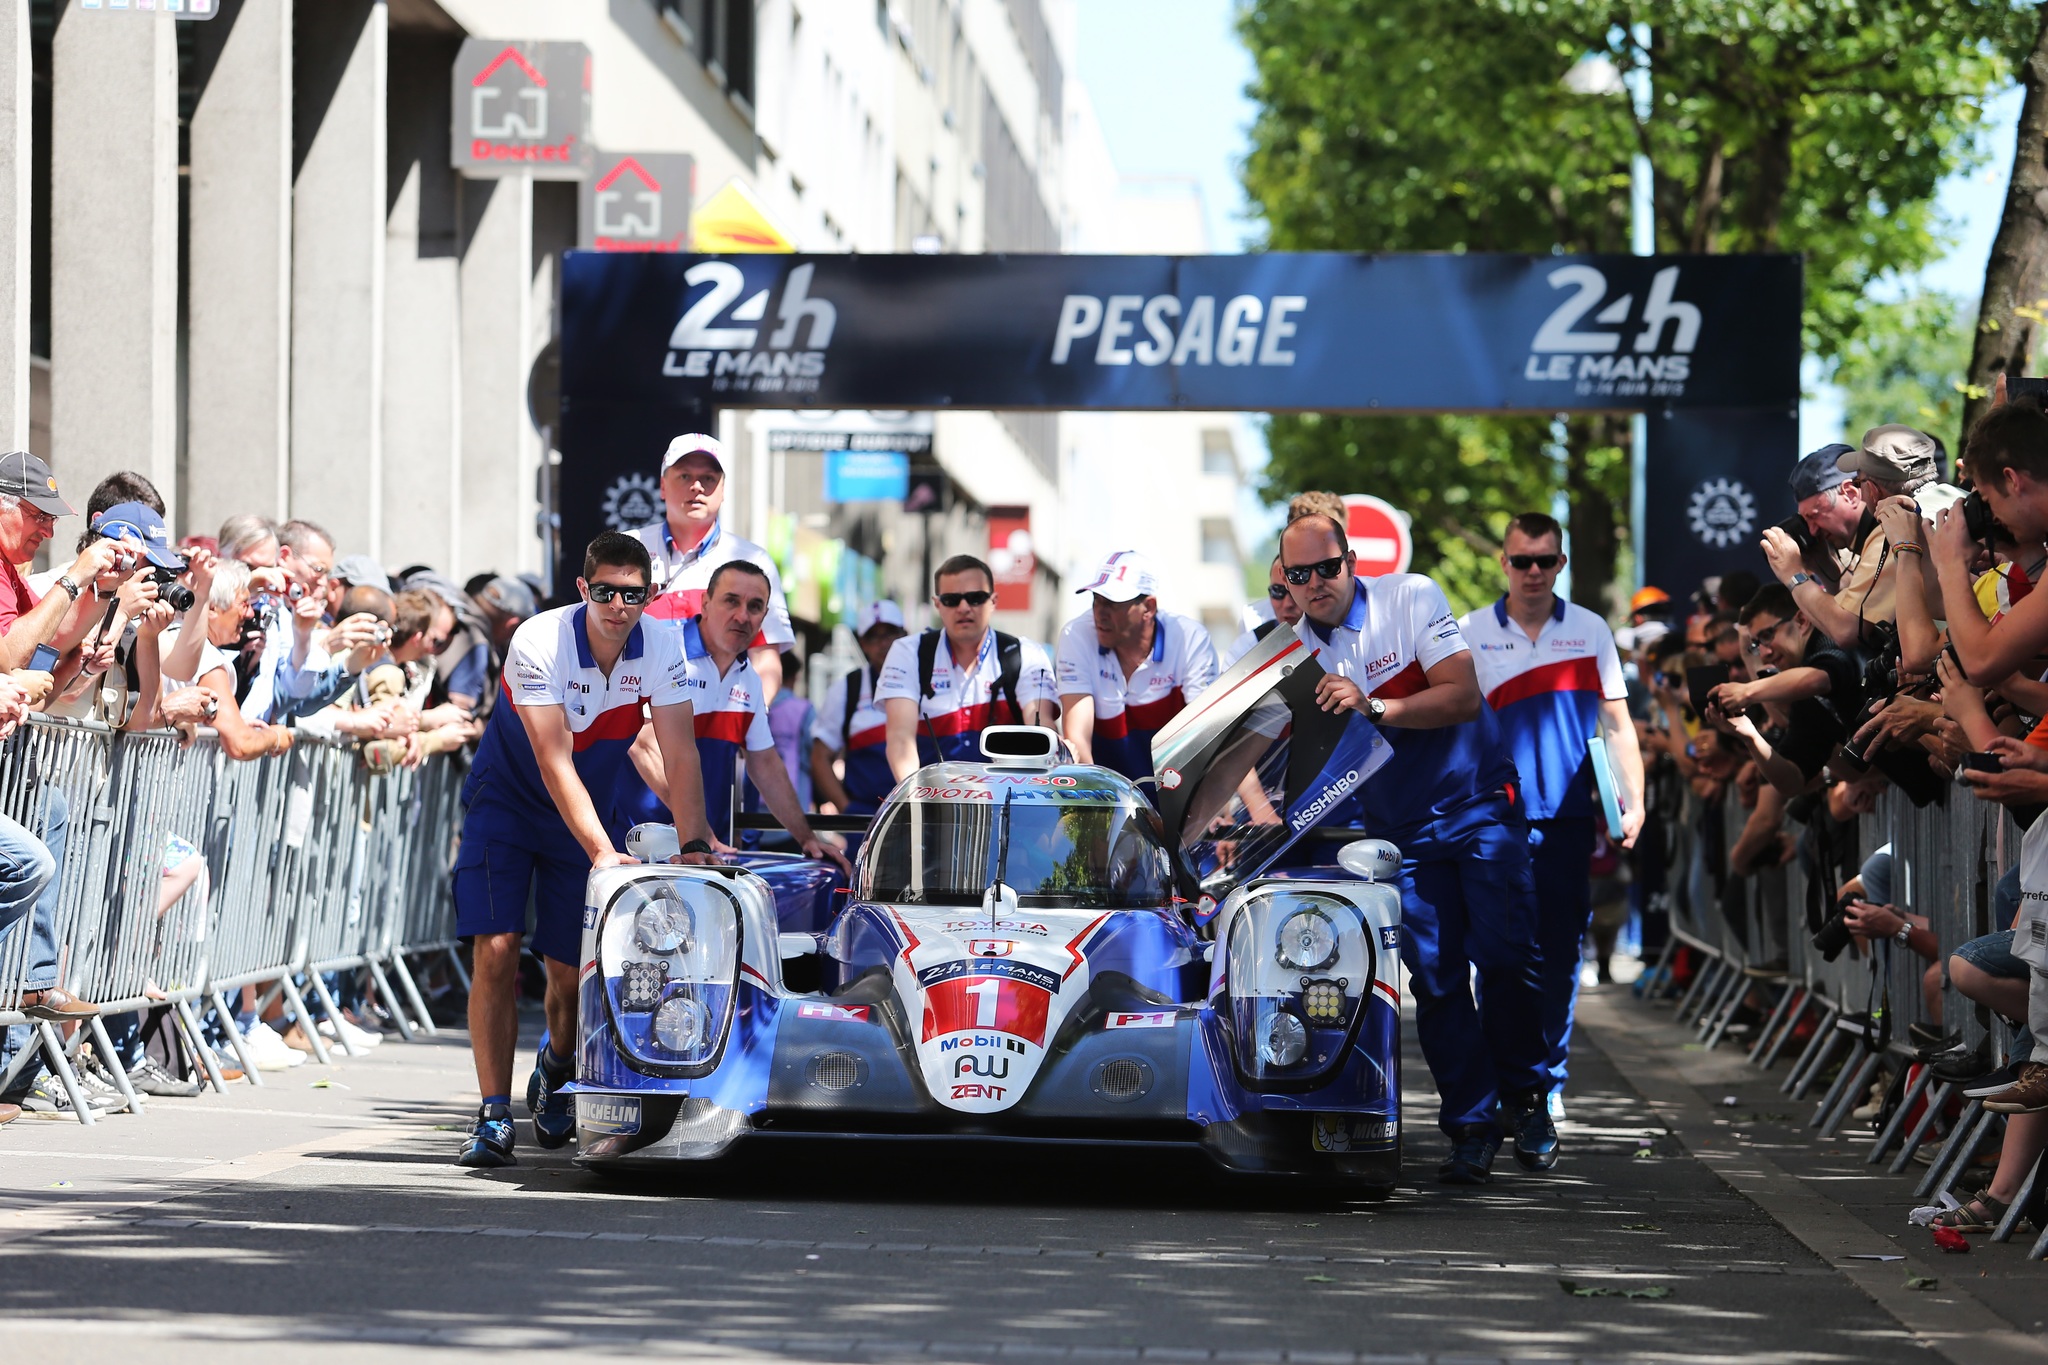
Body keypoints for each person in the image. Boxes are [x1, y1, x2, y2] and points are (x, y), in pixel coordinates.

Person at [1276, 512, 1552, 1183]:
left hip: (1481, 804)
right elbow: (1251, 749)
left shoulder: (1411, 596)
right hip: (1402, 834)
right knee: (1435, 981)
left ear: (1352, 561)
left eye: (1327, 567)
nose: (1315, 584)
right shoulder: (1286, 652)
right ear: (1284, 579)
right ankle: (1472, 1126)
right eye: (1298, 574)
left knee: (1508, 955)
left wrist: (1374, 706)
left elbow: (1461, 696)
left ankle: (1528, 1093)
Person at [451, 532, 718, 1169]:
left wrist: (697, 842)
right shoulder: (537, 639)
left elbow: (679, 751)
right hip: (510, 803)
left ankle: (558, 1062)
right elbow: (552, 757)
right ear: (583, 589)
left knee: (569, 978)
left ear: (650, 596)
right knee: (495, 949)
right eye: (606, 592)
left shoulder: (661, 643)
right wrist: (601, 850)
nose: (619, 605)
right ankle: (493, 1114)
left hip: (587, 808)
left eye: (633, 594)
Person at [1458, 512, 1643, 1116]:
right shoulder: (1470, 631)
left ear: (1560, 564)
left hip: (1567, 821)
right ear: (1504, 563)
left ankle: (1548, 1084)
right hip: (1493, 820)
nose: (1533, 572)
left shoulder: (1590, 631)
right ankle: (1507, 1080)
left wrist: (1633, 800)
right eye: (1521, 560)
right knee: (1500, 957)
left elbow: (1617, 723)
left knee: (1562, 954)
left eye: (1545, 561)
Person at [621, 560, 846, 870]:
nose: (742, 615)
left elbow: (765, 763)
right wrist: (697, 830)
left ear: (764, 617)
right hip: (636, 844)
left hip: (701, 851)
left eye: (755, 606)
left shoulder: (749, 678)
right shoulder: (663, 647)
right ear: (705, 603)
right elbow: (643, 744)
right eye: (731, 601)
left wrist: (807, 838)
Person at [627, 432, 794, 699]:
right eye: (684, 476)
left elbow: (765, 660)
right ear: (662, 486)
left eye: (709, 478)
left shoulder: (754, 561)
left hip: (718, 727)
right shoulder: (626, 549)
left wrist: (747, 726)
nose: (697, 486)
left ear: (724, 489)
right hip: (636, 729)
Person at [878, 554, 1058, 779]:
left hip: (1011, 798)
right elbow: (899, 739)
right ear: (937, 604)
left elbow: (1042, 730)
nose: (963, 607)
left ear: (993, 601)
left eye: (975, 598)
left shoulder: (1027, 654)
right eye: (952, 599)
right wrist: (918, 802)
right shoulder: (907, 653)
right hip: (932, 799)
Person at [1055, 551, 1217, 780]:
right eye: (1096, 600)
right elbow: (1078, 738)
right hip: (1107, 791)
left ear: (1148, 608)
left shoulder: (1189, 638)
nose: (1099, 613)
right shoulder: (1076, 634)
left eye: (1111, 603)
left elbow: (1205, 738)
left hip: (1174, 789)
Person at [812, 601, 909, 819]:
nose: (884, 644)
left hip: (924, 817)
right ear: (863, 644)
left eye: (890, 633)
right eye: (874, 637)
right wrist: (847, 809)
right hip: (865, 821)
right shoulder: (847, 688)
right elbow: (819, 757)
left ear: (905, 635)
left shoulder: (929, 682)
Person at [1223, 557, 1303, 667]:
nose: (1287, 604)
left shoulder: (1333, 639)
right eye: (1277, 591)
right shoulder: (1246, 650)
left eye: (1294, 591)